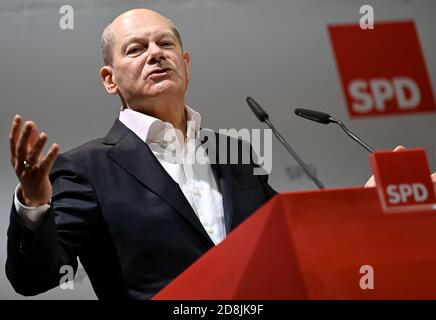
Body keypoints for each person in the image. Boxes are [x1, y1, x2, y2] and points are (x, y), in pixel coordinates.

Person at [6, 8, 276, 299]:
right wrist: (33, 204)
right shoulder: (85, 169)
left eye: (166, 44)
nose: (156, 53)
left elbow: (282, 240)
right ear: (110, 80)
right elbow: (33, 278)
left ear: (186, 64)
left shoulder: (235, 152)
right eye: (136, 49)